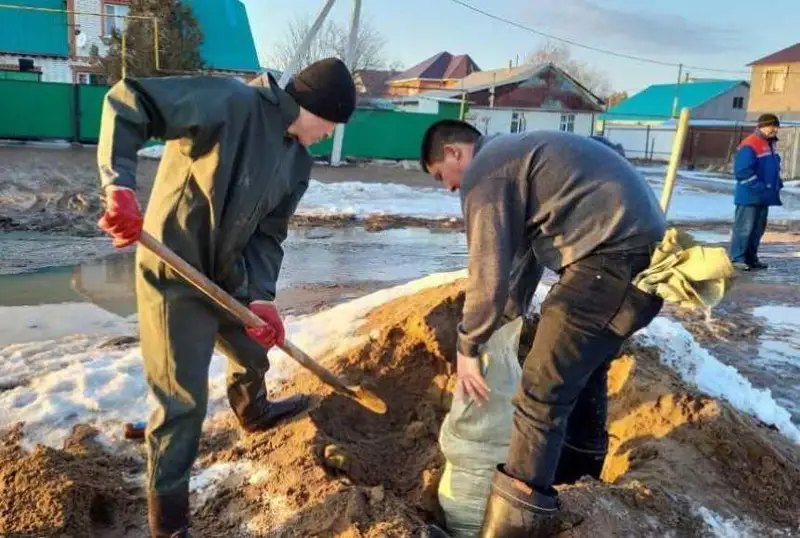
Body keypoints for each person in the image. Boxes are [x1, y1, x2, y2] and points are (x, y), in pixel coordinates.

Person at [95, 58, 356, 537]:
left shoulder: (298, 161)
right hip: (175, 271)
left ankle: (253, 413)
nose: (330, 134)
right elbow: (130, 101)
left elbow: (268, 235)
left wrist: (260, 297)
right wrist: (120, 188)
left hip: (226, 275)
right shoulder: (232, 102)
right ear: (314, 108)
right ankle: (169, 525)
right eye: (332, 124)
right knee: (181, 404)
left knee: (255, 350)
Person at [420, 120, 667, 536]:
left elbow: (488, 272)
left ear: (454, 154)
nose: (447, 188)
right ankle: (579, 490)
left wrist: (468, 349)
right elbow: (522, 260)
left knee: (540, 391)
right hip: (633, 258)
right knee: (583, 376)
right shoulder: (517, 158)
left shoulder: (487, 170)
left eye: (440, 176)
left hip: (609, 258)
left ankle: (508, 532)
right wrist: (502, 328)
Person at [729, 113, 783, 271]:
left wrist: (775, 183)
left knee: (757, 230)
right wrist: (759, 186)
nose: (775, 129)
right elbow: (742, 171)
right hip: (750, 196)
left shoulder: (768, 144)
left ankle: (751, 258)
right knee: (744, 228)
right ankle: (737, 258)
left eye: (776, 126)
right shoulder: (751, 144)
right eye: (772, 126)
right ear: (762, 126)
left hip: (763, 196)